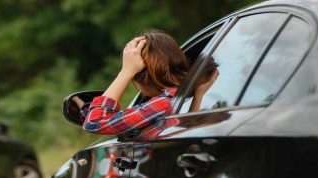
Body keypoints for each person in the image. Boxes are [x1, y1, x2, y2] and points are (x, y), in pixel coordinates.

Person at [82, 29, 218, 135]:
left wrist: (125, 72)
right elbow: (188, 129)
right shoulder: (184, 96)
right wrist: (198, 97)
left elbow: (95, 122)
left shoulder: (163, 103)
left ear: (140, 77)